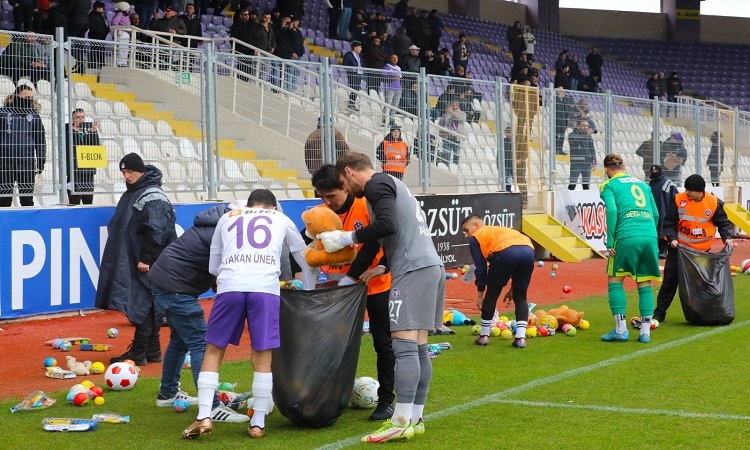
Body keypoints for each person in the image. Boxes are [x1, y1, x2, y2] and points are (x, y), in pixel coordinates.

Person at [318, 152, 445, 442]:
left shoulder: (376, 184)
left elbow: (386, 225)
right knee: (419, 347)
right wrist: (366, 273)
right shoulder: (393, 188)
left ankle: (399, 421)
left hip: (413, 271)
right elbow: (383, 238)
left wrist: (346, 237)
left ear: (349, 172)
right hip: (428, 267)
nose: (347, 191)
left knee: (403, 345)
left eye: (344, 184)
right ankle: (414, 418)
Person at [182, 189, 315, 439]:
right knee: (263, 356)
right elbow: (303, 257)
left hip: (230, 286)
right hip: (265, 289)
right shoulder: (281, 219)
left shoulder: (227, 217)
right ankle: (258, 423)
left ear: (249, 204)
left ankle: (203, 416)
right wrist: (308, 289)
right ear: (273, 207)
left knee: (213, 350)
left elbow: (213, 266)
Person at [291, 165, 396, 421]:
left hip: (376, 285)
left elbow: (387, 238)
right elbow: (302, 247)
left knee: (383, 343)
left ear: (345, 187)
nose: (327, 202)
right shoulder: (320, 215)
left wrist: (382, 267)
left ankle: (386, 401)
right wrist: (297, 273)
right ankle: (324, 397)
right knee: (331, 344)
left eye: (332, 196)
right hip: (339, 292)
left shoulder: (365, 205)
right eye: (322, 196)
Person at [147, 203, 250, 423]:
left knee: (180, 340)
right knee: (200, 343)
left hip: (166, 282)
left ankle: (167, 393)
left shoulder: (216, 223)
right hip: (174, 287)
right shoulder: (226, 230)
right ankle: (212, 407)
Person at [96, 153, 176, 366]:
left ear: (141, 170)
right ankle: (152, 350)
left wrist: (147, 259)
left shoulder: (150, 194)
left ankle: (139, 351)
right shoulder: (138, 191)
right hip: (138, 257)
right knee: (148, 303)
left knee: (144, 302)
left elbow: (158, 230)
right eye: (123, 172)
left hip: (147, 260)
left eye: (130, 171)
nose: (126, 176)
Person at [653, 174, 733, 323]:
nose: (687, 192)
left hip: (702, 253)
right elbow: (669, 223)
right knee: (670, 282)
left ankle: (701, 313)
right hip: (679, 251)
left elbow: (723, 223)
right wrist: (672, 239)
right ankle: (659, 313)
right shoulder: (678, 200)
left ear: (700, 191)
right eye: (686, 189)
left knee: (702, 284)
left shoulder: (713, 203)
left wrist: (727, 238)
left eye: (691, 190)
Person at [598, 154, 661, 343]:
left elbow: (613, 210)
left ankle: (621, 330)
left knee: (615, 280)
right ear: (624, 166)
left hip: (626, 235)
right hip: (649, 235)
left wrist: (610, 240)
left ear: (607, 170)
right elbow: (656, 213)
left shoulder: (608, 185)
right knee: (645, 283)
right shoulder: (643, 185)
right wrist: (650, 234)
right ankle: (644, 333)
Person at [460, 214, 534, 348]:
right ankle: (521, 338)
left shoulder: (477, 237)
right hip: (528, 250)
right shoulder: (500, 230)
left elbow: (480, 268)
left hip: (504, 252)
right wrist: (513, 288)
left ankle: (484, 336)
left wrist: (480, 294)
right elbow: (517, 253)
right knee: (521, 295)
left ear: (476, 225)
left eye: (466, 230)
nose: (466, 235)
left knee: (492, 294)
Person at [0, 85, 45, 207]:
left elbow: (40, 139)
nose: (29, 100)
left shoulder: (34, 116)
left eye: (31, 97)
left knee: (27, 200)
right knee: (3, 200)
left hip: (27, 163)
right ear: (16, 96)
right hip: (5, 163)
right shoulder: (2, 113)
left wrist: (41, 160)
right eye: (26, 97)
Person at [64, 108, 100, 205]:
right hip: (74, 171)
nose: (81, 119)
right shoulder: (67, 130)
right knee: (74, 202)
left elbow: (96, 148)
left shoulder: (88, 131)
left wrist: (93, 132)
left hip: (88, 172)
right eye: (78, 117)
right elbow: (70, 147)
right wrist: (74, 130)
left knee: (88, 201)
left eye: (83, 117)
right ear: (73, 119)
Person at [648, 165, 677, 259]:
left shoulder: (667, 183)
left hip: (664, 210)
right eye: (652, 171)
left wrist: (671, 209)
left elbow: (675, 196)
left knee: (663, 229)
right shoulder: (651, 183)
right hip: (653, 210)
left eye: (656, 170)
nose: (654, 172)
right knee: (654, 229)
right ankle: (656, 249)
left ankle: (664, 249)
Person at [567, 120, 596, 190]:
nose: (586, 127)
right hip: (577, 162)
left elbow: (592, 149)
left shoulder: (588, 136)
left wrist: (594, 161)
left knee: (586, 185)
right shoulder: (572, 135)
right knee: (572, 184)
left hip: (587, 163)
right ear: (578, 126)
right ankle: (569, 199)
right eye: (583, 126)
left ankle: (586, 200)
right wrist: (587, 135)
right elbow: (576, 142)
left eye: (587, 126)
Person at [438, 99, 465, 165]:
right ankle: (446, 167)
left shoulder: (462, 114)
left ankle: (455, 168)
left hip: (457, 138)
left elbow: (461, 119)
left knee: (456, 155)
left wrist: (452, 113)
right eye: (451, 105)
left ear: (457, 106)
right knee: (446, 154)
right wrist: (440, 133)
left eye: (453, 105)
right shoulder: (446, 114)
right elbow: (440, 124)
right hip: (448, 137)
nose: (452, 107)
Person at [87, 1, 109, 71]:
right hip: (94, 36)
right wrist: (100, 32)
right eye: (102, 8)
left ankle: (101, 64)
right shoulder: (92, 15)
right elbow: (92, 26)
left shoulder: (100, 16)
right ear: (97, 8)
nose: (103, 9)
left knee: (101, 50)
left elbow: (103, 26)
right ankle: (92, 64)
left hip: (101, 36)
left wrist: (106, 31)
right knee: (94, 50)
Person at [343, 40, 364, 110]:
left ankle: (353, 104)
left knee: (356, 89)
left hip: (359, 74)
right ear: (355, 48)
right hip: (352, 74)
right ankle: (351, 104)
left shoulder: (359, 56)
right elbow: (344, 64)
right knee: (354, 89)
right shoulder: (349, 54)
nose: (361, 49)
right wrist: (352, 69)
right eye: (360, 47)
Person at [382, 54, 402, 127]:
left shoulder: (399, 68)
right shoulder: (386, 67)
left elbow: (400, 78)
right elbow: (383, 77)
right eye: (393, 58)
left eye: (396, 58)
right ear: (390, 59)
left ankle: (392, 121)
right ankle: (384, 120)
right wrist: (392, 78)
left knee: (395, 106)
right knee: (387, 104)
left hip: (398, 89)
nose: (395, 59)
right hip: (389, 88)